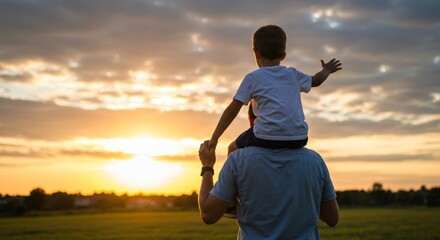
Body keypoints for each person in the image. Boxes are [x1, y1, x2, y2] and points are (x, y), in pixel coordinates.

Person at [209, 25, 342, 153]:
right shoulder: (293, 74)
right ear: (283, 55)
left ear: (256, 53)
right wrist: (327, 70)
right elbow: (316, 81)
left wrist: (215, 138)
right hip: (298, 138)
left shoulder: (252, 78)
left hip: (265, 137)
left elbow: (232, 111)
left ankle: (237, 176)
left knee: (232, 149)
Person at [198, 140, 339, 239]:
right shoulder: (315, 160)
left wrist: (207, 166)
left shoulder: (238, 159)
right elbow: (332, 218)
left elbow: (208, 214)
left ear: (252, 120)